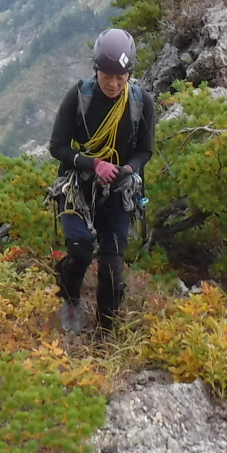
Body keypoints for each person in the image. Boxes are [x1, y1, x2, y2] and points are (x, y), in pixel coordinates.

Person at [48, 28, 156, 333]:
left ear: (129, 73)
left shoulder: (141, 102)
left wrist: (128, 170)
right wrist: (92, 164)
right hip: (78, 186)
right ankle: (69, 302)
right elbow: (57, 146)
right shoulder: (79, 97)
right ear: (96, 70)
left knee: (111, 268)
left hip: (118, 191)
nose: (113, 83)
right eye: (106, 75)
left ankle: (106, 333)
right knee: (80, 251)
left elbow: (145, 150)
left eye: (120, 76)